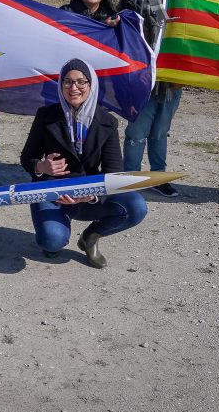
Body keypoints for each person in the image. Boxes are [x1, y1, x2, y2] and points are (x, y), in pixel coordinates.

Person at [20, 58, 147, 269]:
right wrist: (41, 167)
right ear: (61, 85)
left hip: (89, 196)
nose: (74, 88)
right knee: (51, 241)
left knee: (136, 207)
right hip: (54, 193)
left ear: (91, 84)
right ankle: (57, 228)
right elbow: (27, 158)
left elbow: (113, 172)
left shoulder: (107, 122)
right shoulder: (46, 116)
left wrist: (94, 194)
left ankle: (90, 237)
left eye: (81, 82)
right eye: (67, 82)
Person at [118, 0, 182, 196]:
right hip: (141, 81)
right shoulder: (127, 3)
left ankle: (158, 177)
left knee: (159, 132)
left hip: (170, 82)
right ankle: (131, 179)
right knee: (136, 133)